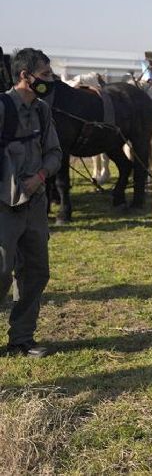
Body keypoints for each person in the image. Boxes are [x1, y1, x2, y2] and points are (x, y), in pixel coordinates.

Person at [1, 49, 62, 357]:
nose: (50, 81)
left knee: (36, 271)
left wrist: (40, 176)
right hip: (4, 208)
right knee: (1, 272)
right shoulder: (2, 108)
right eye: (45, 75)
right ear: (25, 76)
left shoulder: (42, 111)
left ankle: (21, 339)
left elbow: (55, 153)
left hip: (35, 207)